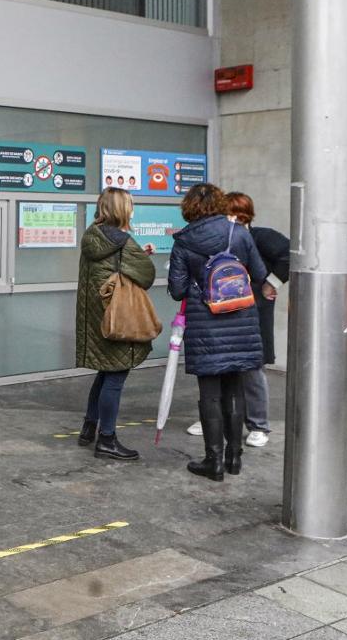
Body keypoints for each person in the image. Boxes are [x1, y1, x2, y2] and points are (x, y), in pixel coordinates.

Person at [169, 183, 267, 481]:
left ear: (190, 207)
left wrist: (200, 289)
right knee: (234, 388)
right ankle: (234, 458)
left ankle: (213, 461)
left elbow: (176, 290)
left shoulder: (184, 242)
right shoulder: (239, 233)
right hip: (240, 320)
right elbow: (260, 274)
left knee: (210, 392)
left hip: (205, 324)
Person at [74, 188, 157, 461]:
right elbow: (145, 275)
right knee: (116, 376)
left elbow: (113, 266)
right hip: (117, 319)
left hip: (97, 318)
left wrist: (136, 254)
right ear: (122, 209)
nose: (132, 210)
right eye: (130, 205)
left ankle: (89, 428)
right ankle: (107, 439)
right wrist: (143, 257)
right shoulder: (122, 240)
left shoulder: (92, 236)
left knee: (105, 372)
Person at [229, 191, 289, 448]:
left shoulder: (261, 237)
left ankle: (258, 424)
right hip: (228, 312)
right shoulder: (224, 239)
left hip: (254, 313)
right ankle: (221, 418)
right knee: (225, 368)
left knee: (253, 369)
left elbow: (290, 254)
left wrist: (270, 284)